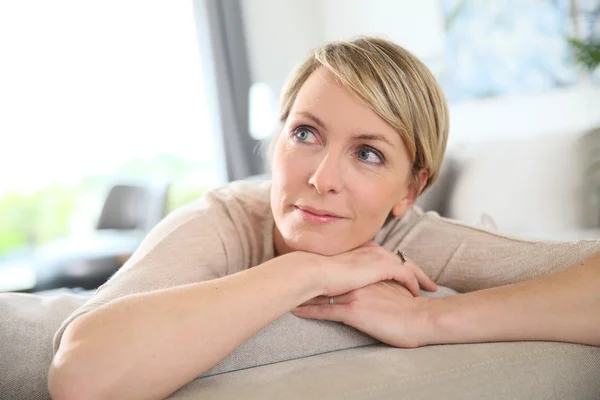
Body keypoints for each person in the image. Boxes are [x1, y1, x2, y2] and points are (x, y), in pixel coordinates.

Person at [48, 37, 600, 400]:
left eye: (368, 153)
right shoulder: (225, 219)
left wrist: (429, 321)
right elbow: (81, 375)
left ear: (409, 190)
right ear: (278, 138)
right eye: (306, 134)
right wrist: (307, 272)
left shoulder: (408, 237)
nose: (321, 178)